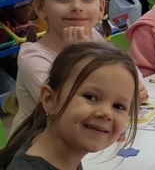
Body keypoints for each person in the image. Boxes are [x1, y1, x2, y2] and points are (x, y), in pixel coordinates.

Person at [11, 0, 148, 134]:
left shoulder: (93, 36)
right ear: (41, 8)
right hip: (37, 144)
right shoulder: (32, 59)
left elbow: (128, 71)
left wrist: (135, 86)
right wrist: (78, 56)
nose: (77, 6)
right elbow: (69, 108)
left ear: (101, 8)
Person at [0, 42, 139, 170]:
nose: (106, 113)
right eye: (90, 97)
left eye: (118, 106)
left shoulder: (66, 151)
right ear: (50, 99)